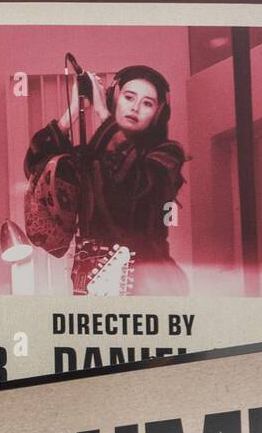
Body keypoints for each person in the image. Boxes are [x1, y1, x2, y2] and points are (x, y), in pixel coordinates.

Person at [24, 64, 188, 296]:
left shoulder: (167, 154)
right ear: (115, 98)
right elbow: (38, 172)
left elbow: (137, 184)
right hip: (92, 281)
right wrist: (73, 111)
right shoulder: (91, 155)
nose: (135, 107)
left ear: (158, 113)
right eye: (129, 97)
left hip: (148, 282)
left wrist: (102, 111)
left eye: (147, 103)